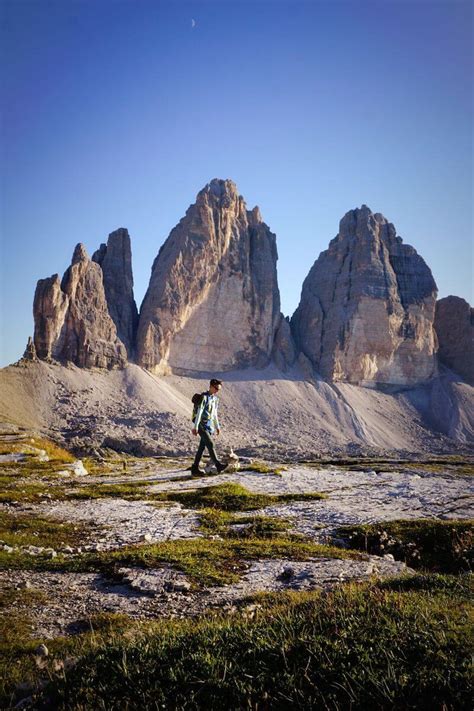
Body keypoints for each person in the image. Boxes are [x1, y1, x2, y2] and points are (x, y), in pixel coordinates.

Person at [191, 378, 227, 476]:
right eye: (216, 388)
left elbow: (214, 414)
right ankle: (218, 465)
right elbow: (199, 412)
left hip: (209, 425)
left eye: (218, 389)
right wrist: (195, 427)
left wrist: (217, 426)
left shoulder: (215, 399)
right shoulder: (204, 397)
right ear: (211, 386)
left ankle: (194, 469)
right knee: (210, 444)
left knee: (202, 448)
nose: (217, 391)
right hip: (201, 425)